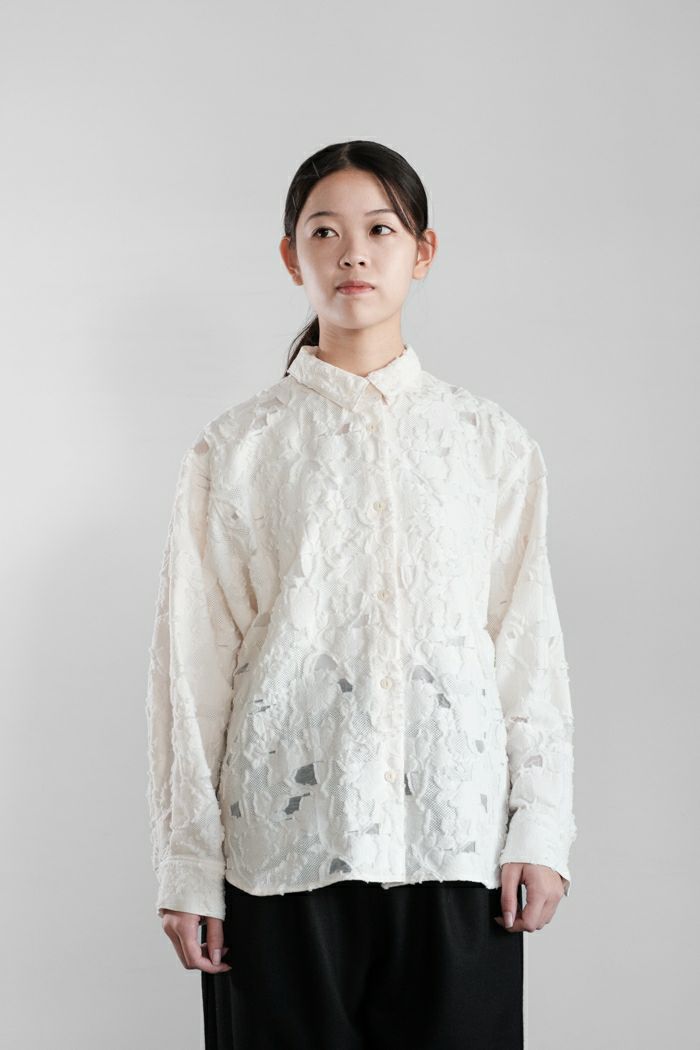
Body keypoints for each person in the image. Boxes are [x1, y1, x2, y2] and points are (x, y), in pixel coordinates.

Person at [145, 139, 576, 1050]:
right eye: (324, 232)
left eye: (381, 230)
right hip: (280, 855)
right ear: (290, 256)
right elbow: (192, 668)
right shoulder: (238, 448)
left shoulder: (489, 443)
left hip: (455, 844)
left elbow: (526, 646)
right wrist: (188, 865)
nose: (353, 254)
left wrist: (540, 828)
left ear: (423, 252)